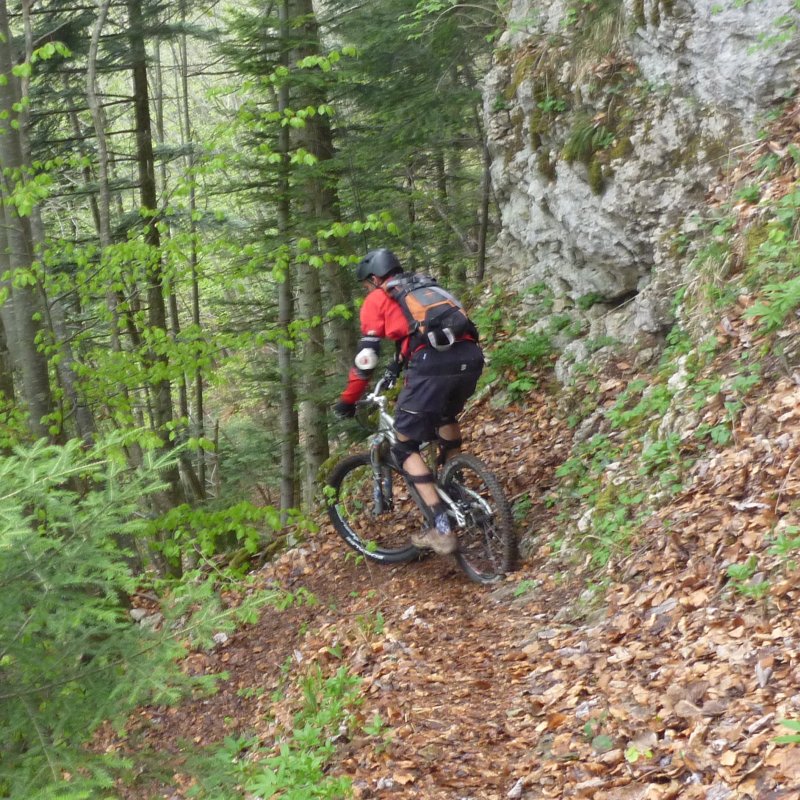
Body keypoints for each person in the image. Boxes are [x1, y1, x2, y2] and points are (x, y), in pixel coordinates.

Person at [333, 248, 484, 555]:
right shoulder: (427, 287)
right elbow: (420, 334)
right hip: (471, 358)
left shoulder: (378, 298)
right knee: (445, 415)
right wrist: (396, 367)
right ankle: (456, 483)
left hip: (432, 367)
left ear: (375, 278)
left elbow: (366, 358)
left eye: (366, 284)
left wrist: (348, 399)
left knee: (404, 445)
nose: (368, 289)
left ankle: (442, 527)